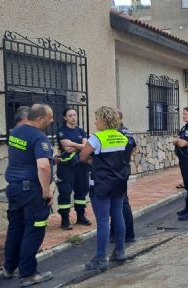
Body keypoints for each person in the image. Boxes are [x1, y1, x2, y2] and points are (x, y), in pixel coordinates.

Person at [2, 103, 54, 287]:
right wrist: (46, 191)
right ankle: (28, 274)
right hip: (31, 191)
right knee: (34, 229)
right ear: (39, 118)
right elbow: (43, 166)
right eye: (50, 117)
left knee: (16, 228)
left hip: (14, 189)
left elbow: (25, 156)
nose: (52, 120)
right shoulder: (39, 137)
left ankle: (9, 268)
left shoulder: (15, 132)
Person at [79, 106, 129, 271]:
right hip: (119, 182)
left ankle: (101, 258)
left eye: (97, 118)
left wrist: (95, 163)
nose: (95, 121)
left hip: (101, 183)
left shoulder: (96, 138)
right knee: (118, 215)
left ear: (103, 120)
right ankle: (120, 251)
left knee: (102, 220)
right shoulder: (122, 137)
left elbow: (83, 157)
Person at [55, 108, 92, 230]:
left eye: (75, 115)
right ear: (65, 118)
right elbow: (67, 149)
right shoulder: (61, 131)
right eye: (70, 115)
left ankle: (80, 216)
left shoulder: (80, 131)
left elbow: (86, 147)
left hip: (81, 165)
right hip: (66, 167)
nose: (73, 117)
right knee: (65, 192)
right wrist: (79, 146)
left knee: (82, 191)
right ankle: (65, 220)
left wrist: (73, 144)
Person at [110, 110, 137, 243]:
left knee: (120, 202)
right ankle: (123, 232)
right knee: (121, 201)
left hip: (117, 170)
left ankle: (125, 234)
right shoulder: (127, 131)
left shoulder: (118, 133)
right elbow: (133, 147)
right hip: (124, 168)